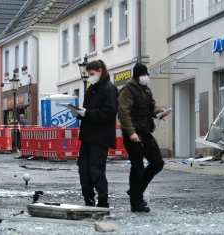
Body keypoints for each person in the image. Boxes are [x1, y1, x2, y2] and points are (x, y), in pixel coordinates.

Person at [118, 63, 167, 213]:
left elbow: (151, 108)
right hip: (132, 134)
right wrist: (131, 132)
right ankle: (136, 202)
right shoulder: (127, 91)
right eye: (143, 75)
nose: (146, 77)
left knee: (157, 162)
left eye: (147, 75)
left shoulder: (146, 90)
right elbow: (123, 113)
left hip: (145, 132)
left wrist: (159, 111)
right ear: (137, 76)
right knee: (137, 166)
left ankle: (135, 191)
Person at [71, 60, 118, 208]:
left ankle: (102, 200)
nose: (90, 77)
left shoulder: (109, 88)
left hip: (101, 137)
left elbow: (109, 113)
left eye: (91, 74)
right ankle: (88, 198)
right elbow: (89, 111)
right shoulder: (92, 89)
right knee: (83, 169)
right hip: (88, 135)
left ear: (100, 71)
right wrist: (80, 113)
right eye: (88, 74)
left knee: (96, 169)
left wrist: (86, 113)